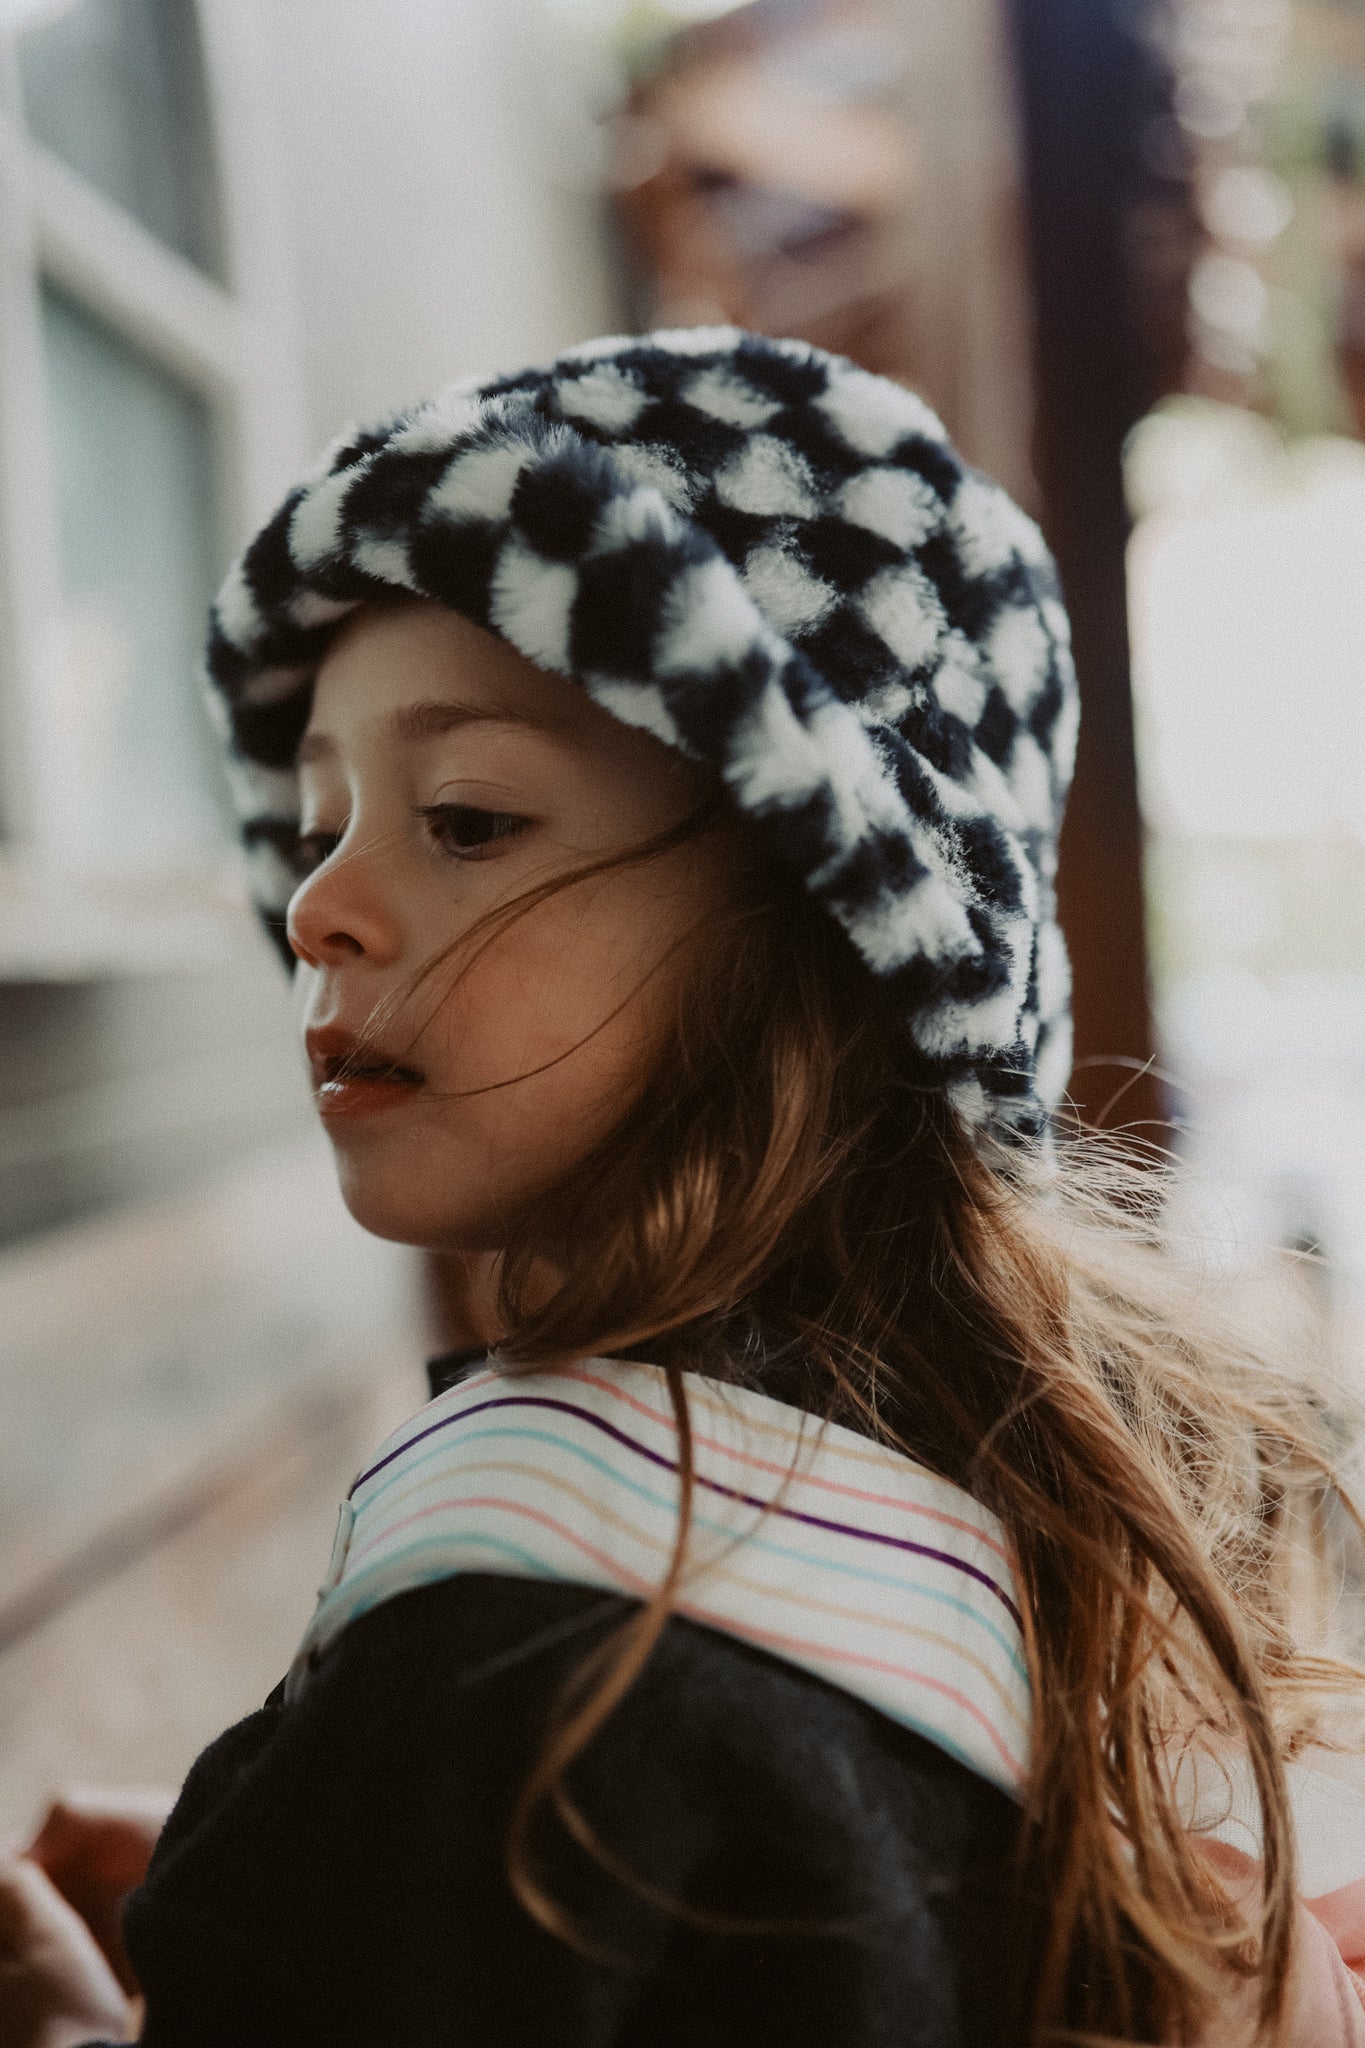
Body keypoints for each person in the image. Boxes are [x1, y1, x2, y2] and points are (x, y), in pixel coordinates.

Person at [2, 328, 1363, 2048]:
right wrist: (293, 1890)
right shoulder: (966, 1479)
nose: (315, 902)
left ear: (818, 916)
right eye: (325, 816)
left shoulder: (525, 1655)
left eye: (469, 817)